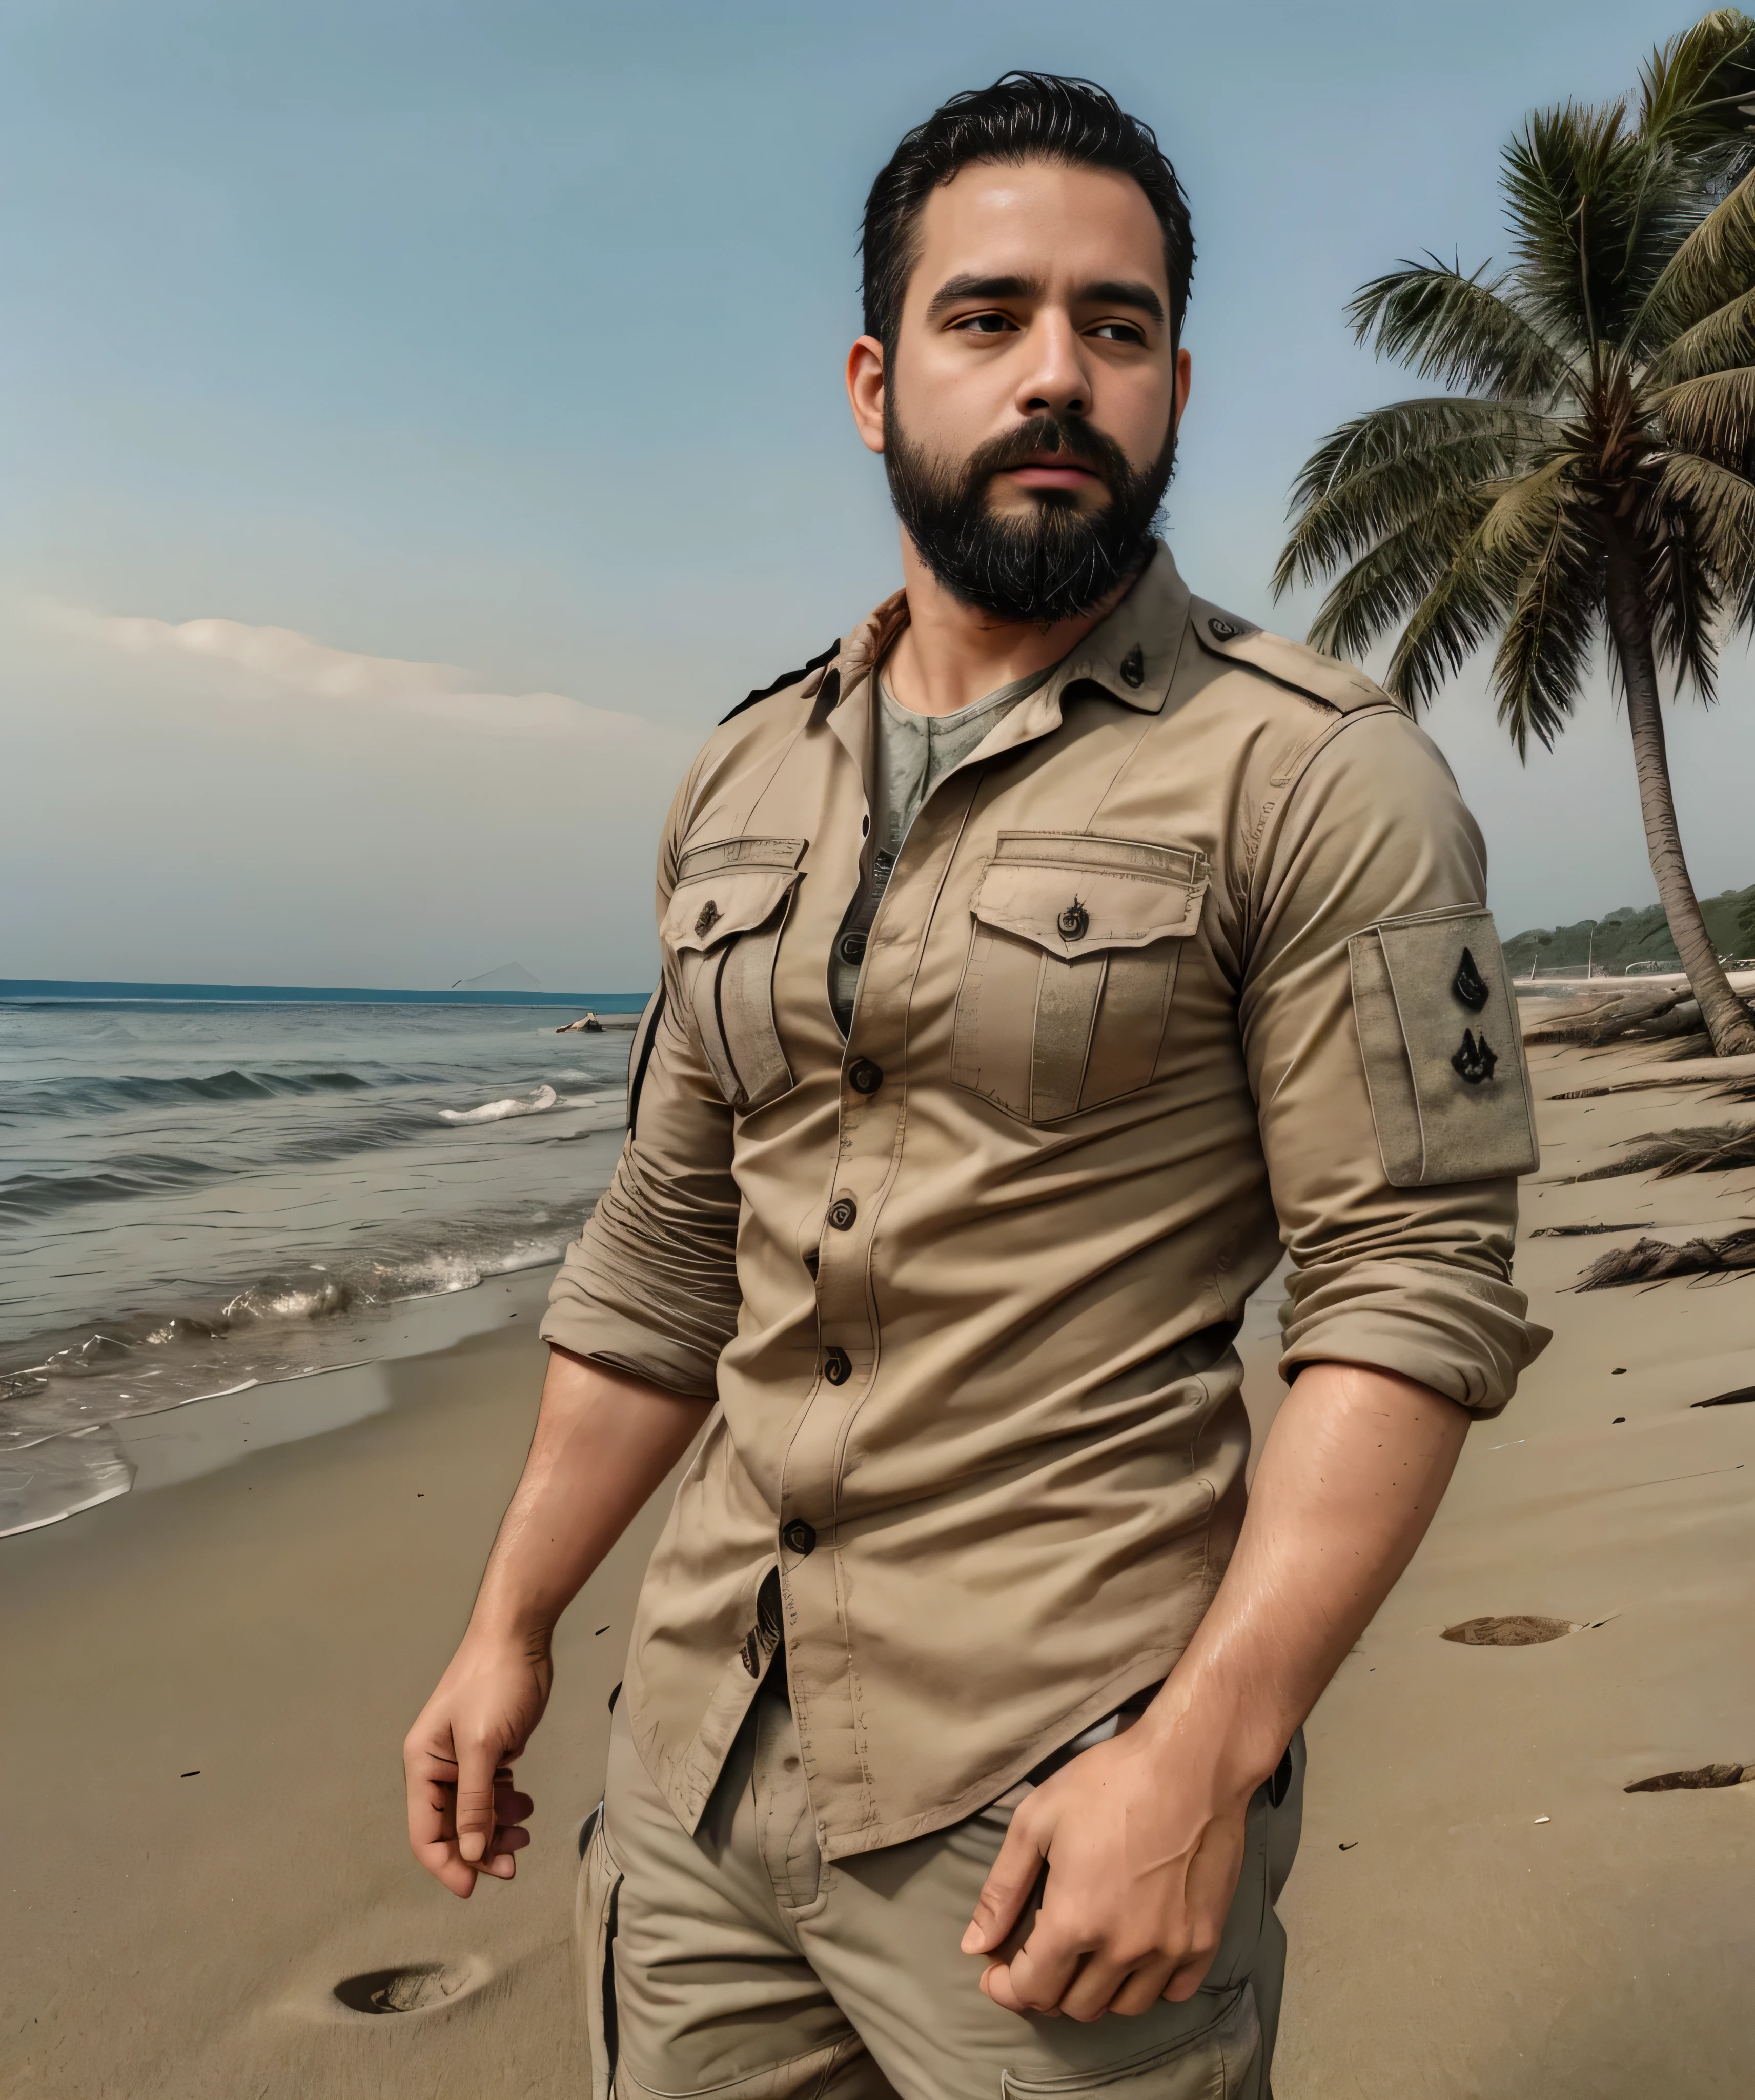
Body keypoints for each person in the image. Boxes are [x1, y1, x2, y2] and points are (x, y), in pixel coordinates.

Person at [404, 72, 1548, 2100]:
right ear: (873, 379)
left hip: (1054, 1790)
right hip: (696, 1768)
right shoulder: (740, 779)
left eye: (1113, 329)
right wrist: (511, 1619)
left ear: (1176, 382)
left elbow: (1409, 1281)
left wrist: (1204, 1757)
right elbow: (670, 1244)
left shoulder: (1314, 773)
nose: (1055, 375)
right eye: (987, 316)